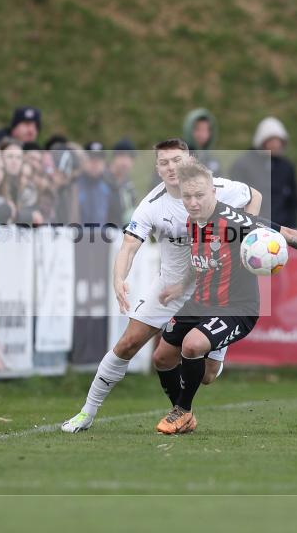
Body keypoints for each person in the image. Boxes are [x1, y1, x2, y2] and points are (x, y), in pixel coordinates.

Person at [61, 138, 262, 433]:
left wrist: (248, 234)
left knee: (207, 374)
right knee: (132, 346)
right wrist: (119, 279)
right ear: (157, 168)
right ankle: (86, 413)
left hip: (214, 289)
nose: (171, 167)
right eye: (164, 162)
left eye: (177, 160)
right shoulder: (152, 205)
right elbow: (129, 246)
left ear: (189, 161)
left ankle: (186, 402)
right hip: (169, 288)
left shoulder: (216, 188)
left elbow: (253, 194)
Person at [151, 160, 297, 434]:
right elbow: (202, 259)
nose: (193, 202)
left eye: (200, 195)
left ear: (213, 193)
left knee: (192, 347)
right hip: (200, 302)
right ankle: (183, 411)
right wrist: (181, 287)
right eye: (188, 196)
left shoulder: (234, 222)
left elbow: (287, 234)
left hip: (236, 308)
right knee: (163, 359)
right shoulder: (191, 220)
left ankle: (182, 411)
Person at [229, 116, 297, 227]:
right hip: (252, 227)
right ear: (262, 141)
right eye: (272, 141)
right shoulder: (243, 164)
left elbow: (292, 203)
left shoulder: (287, 167)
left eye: (279, 141)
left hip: (281, 229)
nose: (276, 145)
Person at [74, 141, 122, 227]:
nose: (95, 163)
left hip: (103, 238)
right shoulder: (74, 186)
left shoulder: (111, 188)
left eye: (99, 159)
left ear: (104, 163)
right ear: (83, 161)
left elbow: (116, 221)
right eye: (91, 159)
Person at [182, 108, 221, 175]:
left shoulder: (214, 163)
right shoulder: (178, 159)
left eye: (206, 130)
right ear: (189, 130)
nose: (203, 134)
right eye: (198, 129)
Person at [108, 138, 137, 226]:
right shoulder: (102, 180)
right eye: (123, 157)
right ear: (115, 157)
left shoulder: (129, 185)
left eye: (130, 158)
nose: (126, 163)